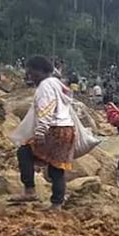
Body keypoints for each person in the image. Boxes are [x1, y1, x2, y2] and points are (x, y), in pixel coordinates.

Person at [13, 56, 75, 208]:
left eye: (31, 72)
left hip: (53, 129)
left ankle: (30, 191)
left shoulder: (45, 86)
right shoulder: (57, 84)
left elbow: (46, 108)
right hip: (67, 129)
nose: (29, 76)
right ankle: (57, 204)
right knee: (57, 167)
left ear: (41, 71)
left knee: (24, 152)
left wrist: (40, 131)